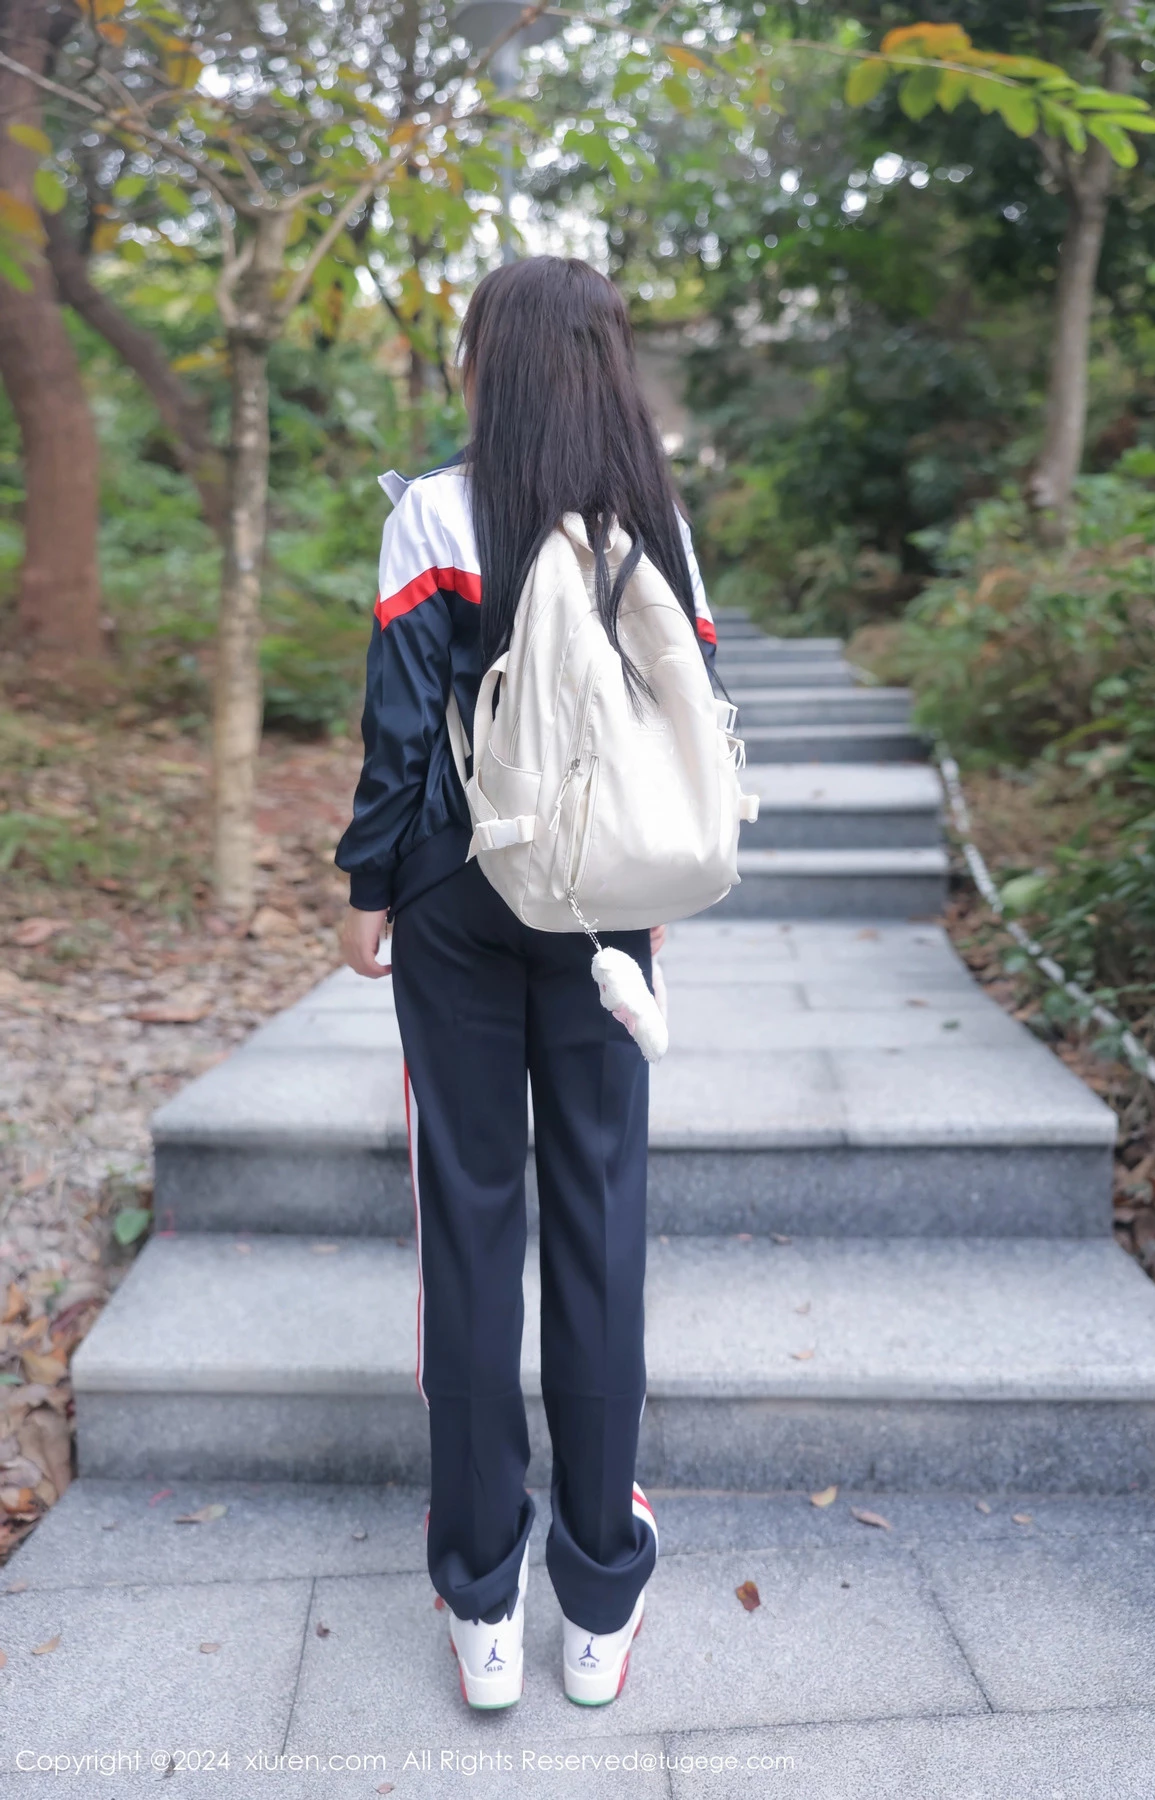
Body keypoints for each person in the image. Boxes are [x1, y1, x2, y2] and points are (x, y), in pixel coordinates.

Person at [335, 255, 719, 1710]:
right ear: (608, 362)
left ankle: (483, 1600)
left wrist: (367, 890)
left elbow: (395, 733)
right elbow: (691, 717)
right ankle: (601, 1594)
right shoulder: (654, 522)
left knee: (469, 1222)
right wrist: (660, 891)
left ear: (485, 360)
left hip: (456, 894)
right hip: (606, 909)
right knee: (600, 1218)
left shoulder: (435, 512)